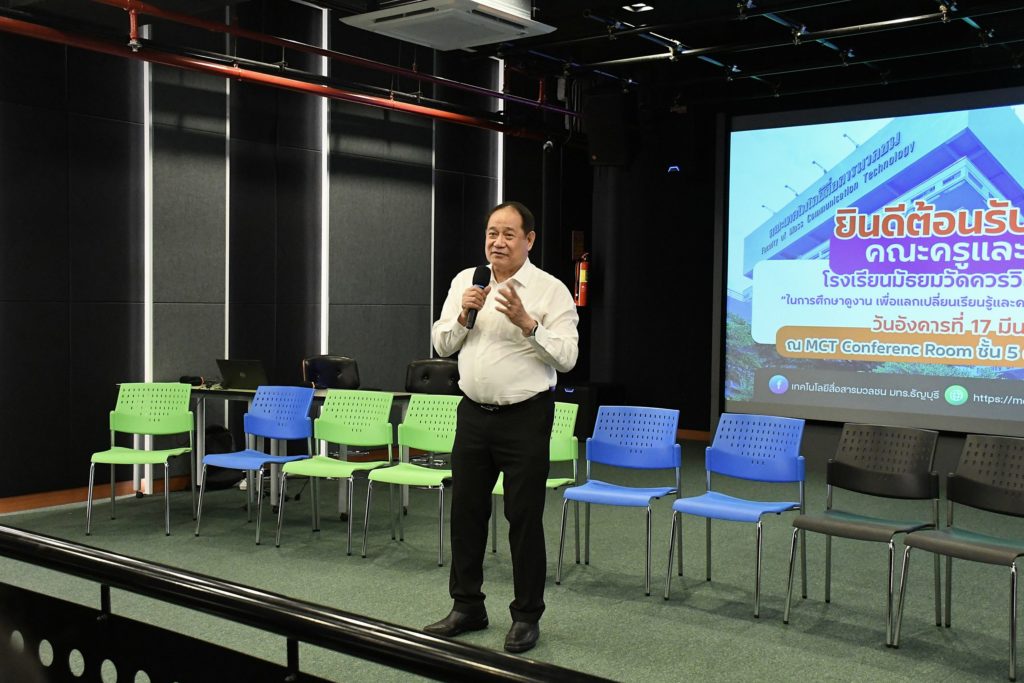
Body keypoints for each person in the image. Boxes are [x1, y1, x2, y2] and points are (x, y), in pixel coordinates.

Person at [425, 201, 579, 653]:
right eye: (492, 233)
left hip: (525, 417)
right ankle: (467, 606)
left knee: (523, 518)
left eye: (509, 234)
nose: (498, 242)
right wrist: (462, 316)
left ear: (529, 240)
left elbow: (568, 358)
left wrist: (528, 324)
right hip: (473, 414)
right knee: (466, 514)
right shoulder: (466, 281)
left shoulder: (550, 290)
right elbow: (442, 344)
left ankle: (526, 616)